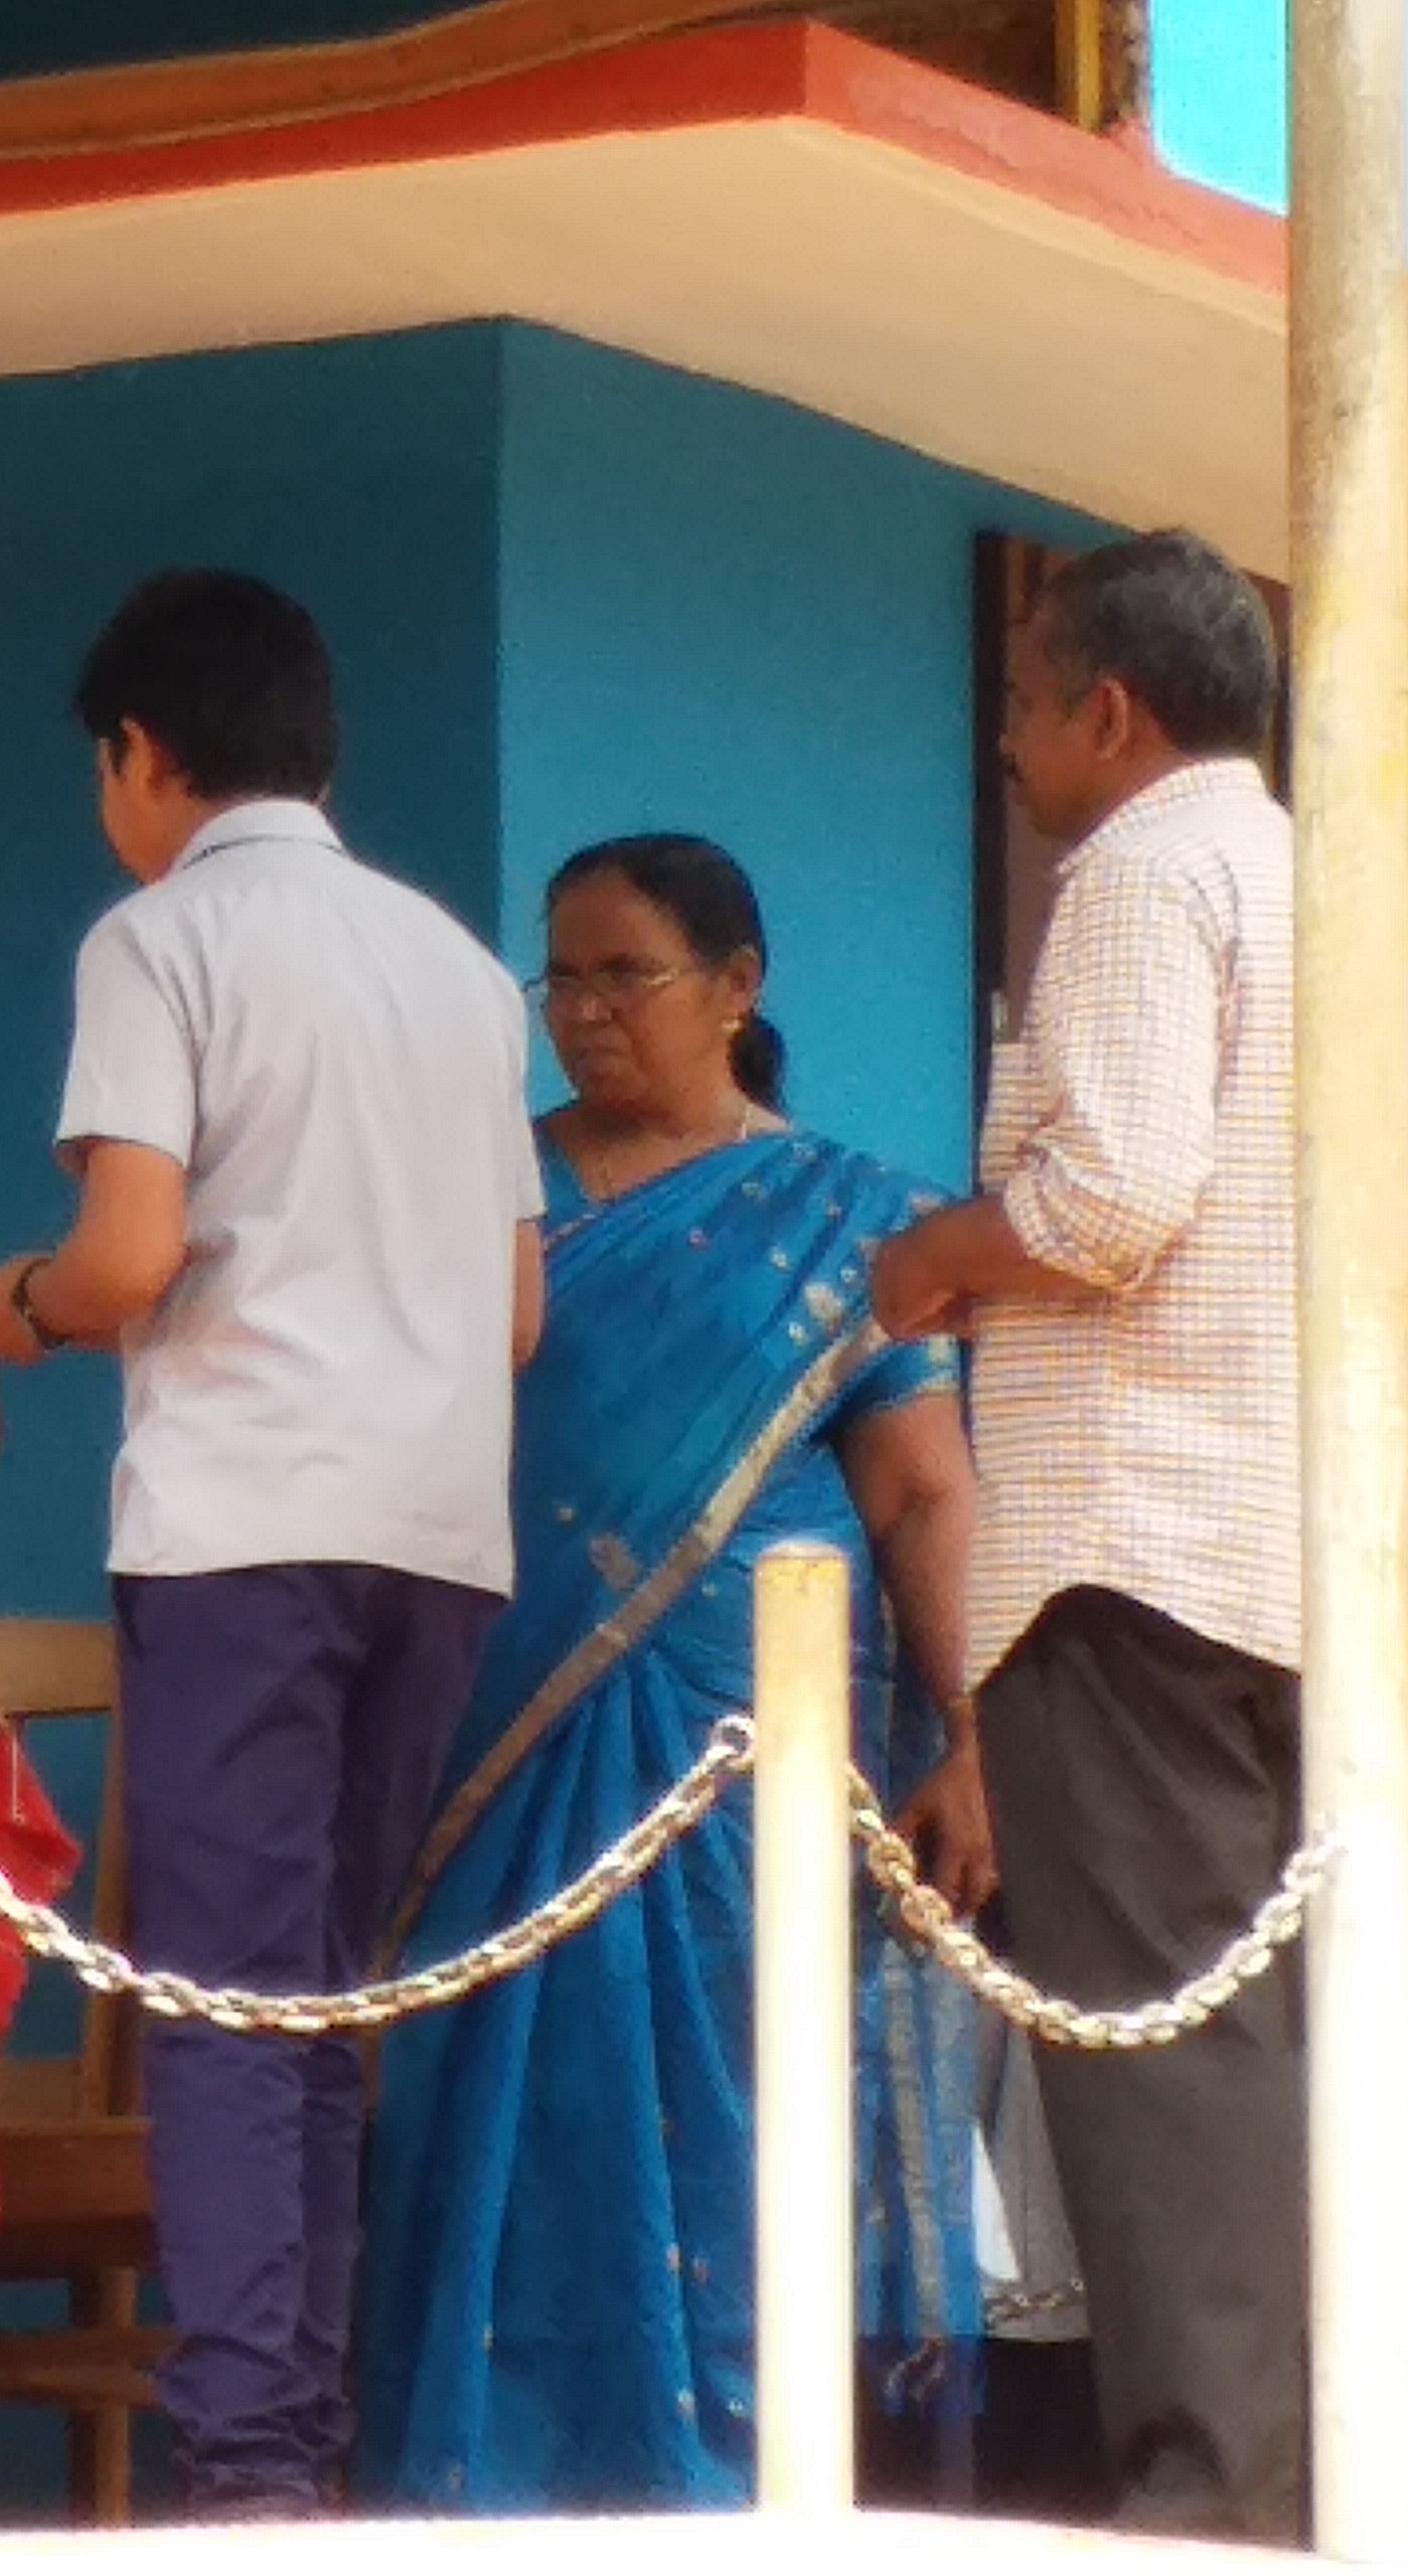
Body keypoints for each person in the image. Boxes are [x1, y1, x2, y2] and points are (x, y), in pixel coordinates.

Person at [0, 568, 540, 2522]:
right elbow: (515, 1313)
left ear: (139, 753)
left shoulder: (157, 936)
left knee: (222, 1993)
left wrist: (7, 1309)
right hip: (435, 1531)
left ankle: (247, 2461)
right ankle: (307, 2440)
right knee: (325, 2002)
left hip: (243, 1530)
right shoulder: (459, 970)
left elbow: (124, 1256)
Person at [356, 834, 997, 2511]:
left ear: (734, 986)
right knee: (488, 2094)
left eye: (623, 975)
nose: (581, 1012)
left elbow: (921, 1492)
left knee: (728, 2098)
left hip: (743, 1742)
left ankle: (732, 2487)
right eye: (557, 979)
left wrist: (971, 1732)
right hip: (489, 1719)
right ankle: (473, 2498)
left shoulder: (853, 1220)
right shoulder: (487, 1196)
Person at [866, 529, 1307, 2544]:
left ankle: (1207, 2505)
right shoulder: (1312, 872)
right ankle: (1302, 2477)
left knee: (1168, 2065)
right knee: (1273, 2042)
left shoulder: (1136, 871)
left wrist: (933, 1259)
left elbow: (1110, 1198)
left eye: (1023, 708)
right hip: (1281, 1552)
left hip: (1124, 1554)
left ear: (1108, 711)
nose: (1008, 748)